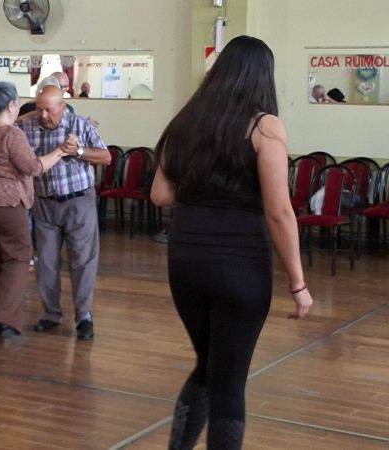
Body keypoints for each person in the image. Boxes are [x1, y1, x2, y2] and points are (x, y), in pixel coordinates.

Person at [150, 35, 314, 449]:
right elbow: (279, 211)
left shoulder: (184, 121)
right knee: (229, 381)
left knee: (207, 367)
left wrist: (203, 187)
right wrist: (298, 283)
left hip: (186, 257)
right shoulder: (265, 126)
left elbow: (161, 196)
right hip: (239, 262)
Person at [0, 76, 65, 338]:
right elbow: (33, 167)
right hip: (4, 203)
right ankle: (2, 318)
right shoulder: (12, 134)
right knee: (18, 257)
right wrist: (61, 151)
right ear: (10, 106)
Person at [18, 85, 111, 340]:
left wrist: (78, 152)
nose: (44, 115)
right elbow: (7, 127)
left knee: (82, 260)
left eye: (49, 109)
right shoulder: (25, 127)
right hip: (44, 203)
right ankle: (51, 314)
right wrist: (26, 116)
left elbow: (105, 157)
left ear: (63, 107)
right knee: (46, 262)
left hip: (78, 202)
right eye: (38, 109)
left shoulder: (80, 125)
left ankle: (84, 317)